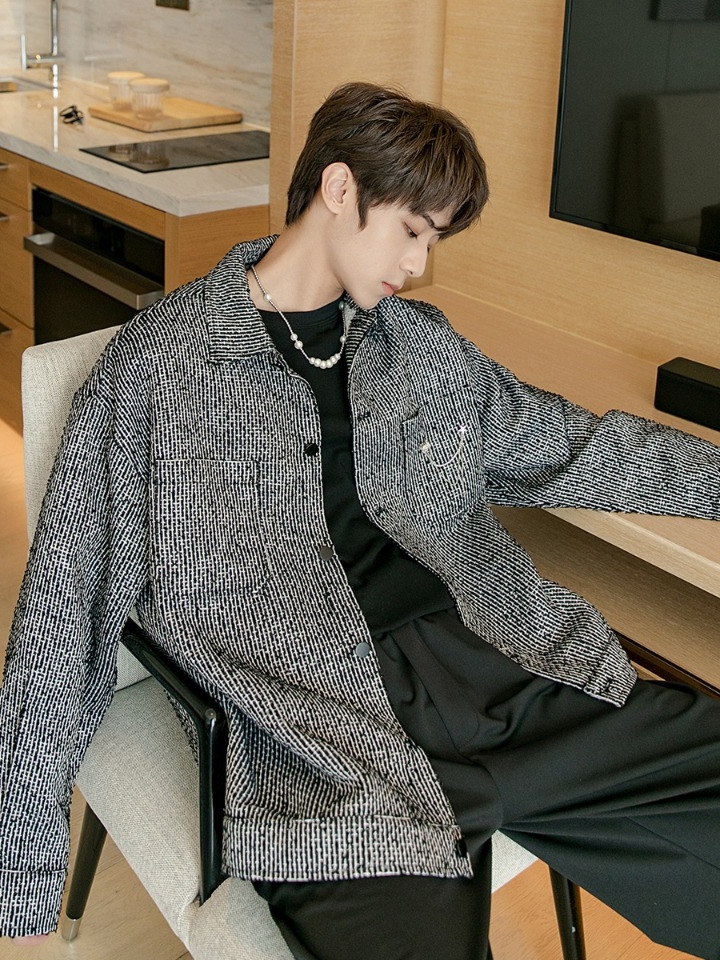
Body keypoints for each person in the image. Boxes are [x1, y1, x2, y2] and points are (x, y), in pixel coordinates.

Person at [1, 80, 720, 960]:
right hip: (325, 745)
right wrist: (20, 863)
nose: (418, 264)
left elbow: (573, 445)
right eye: (413, 230)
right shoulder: (157, 369)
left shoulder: (419, 346)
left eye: (433, 240)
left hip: (506, 675)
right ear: (340, 188)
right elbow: (64, 609)